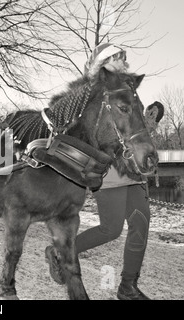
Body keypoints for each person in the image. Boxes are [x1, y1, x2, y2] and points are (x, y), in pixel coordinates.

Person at [45, 43, 159, 300]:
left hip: (132, 169)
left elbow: (133, 122)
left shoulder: (126, 89)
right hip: (108, 167)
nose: (122, 62)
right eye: (115, 59)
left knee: (141, 221)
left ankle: (128, 286)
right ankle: (58, 251)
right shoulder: (90, 91)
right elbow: (69, 121)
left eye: (123, 59)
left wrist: (147, 129)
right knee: (112, 229)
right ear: (102, 64)